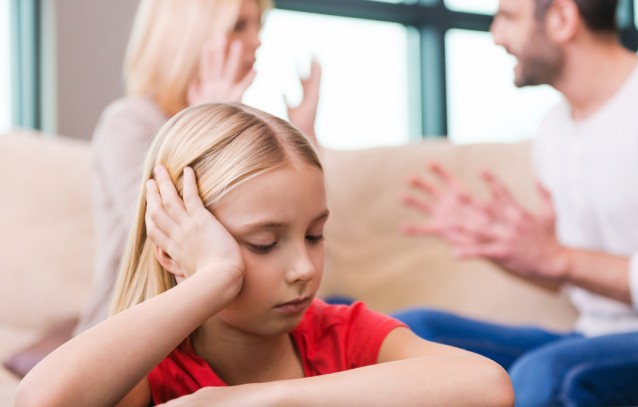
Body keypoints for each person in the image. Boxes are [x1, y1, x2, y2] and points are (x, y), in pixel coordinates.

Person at [15, 103, 513, 406]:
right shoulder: (156, 373)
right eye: (263, 244)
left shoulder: (340, 338)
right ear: (173, 248)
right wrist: (215, 276)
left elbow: (487, 386)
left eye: (315, 236)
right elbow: (40, 402)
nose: (303, 269)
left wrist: (259, 400)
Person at [394, 0, 638, 405]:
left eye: (509, 17)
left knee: (548, 373)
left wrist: (557, 257)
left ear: (563, 19)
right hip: (594, 336)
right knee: (410, 332)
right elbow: (569, 273)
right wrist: (510, 249)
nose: (496, 35)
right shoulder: (554, 127)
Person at [77, 0, 322, 334]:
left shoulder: (253, 129)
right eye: (240, 26)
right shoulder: (129, 122)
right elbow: (166, 231)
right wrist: (210, 124)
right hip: (135, 330)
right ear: (190, 35)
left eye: (258, 25)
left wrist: (304, 137)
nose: (257, 39)